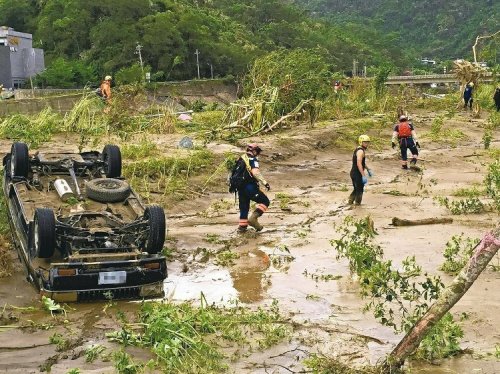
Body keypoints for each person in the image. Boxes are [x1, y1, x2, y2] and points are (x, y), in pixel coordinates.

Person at [236, 143, 271, 232]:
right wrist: (265, 183)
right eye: (257, 152)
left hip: (240, 188)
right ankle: (253, 218)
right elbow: (255, 172)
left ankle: (242, 227)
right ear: (254, 151)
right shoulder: (252, 160)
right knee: (265, 201)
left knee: (244, 208)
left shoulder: (240, 159)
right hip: (250, 187)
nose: (258, 154)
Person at [348, 135, 372, 205]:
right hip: (356, 173)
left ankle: (350, 202)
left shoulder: (359, 149)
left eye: (368, 142)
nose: (367, 144)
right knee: (360, 190)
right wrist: (363, 175)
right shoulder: (360, 151)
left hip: (354, 173)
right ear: (361, 142)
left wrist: (368, 169)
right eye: (365, 142)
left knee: (356, 189)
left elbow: (362, 162)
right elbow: (359, 163)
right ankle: (358, 205)